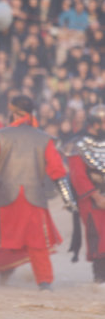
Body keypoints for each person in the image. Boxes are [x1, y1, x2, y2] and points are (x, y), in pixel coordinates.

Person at [0, 95, 77, 290]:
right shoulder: (45, 139)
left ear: (13, 111)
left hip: (6, 193)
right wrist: (69, 199)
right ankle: (44, 282)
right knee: (38, 239)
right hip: (34, 195)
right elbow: (58, 172)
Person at [67, 105, 105, 283]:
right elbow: (78, 176)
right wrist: (96, 196)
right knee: (97, 235)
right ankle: (100, 278)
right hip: (91, 199)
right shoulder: (78, 144)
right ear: (95, 123)